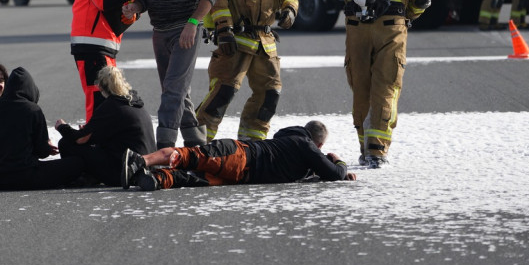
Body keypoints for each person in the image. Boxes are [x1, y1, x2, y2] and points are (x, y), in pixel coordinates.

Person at [336, 0, 432, 168]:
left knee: (361, 88)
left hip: (356, 28)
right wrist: (409, 14)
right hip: (391, 27)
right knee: (386, 87)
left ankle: (363, 147)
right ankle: (377, 151)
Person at [196, 0, 299, 143]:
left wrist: (290, 10)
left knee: (269, 95)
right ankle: (198, 146)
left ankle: (252, 145)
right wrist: (224, 30)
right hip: (235, 41)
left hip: (265, 43)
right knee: (222, 95)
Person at [125, 0, 218, 148]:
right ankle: (196, 141)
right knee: (175, 90)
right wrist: (136, 6)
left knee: (173, 89)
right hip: (160, 31)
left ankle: (164, 146)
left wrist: (193, 23)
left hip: (185, 31)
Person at [121, 120, 355, 191]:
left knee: (191, 177)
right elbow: (334, 173)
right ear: (319, 143)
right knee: (188, 156)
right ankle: (141, 161)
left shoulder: (290, 142)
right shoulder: (305, 146)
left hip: (240, 173)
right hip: (240, 156)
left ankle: (151, 179)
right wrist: (338, 161)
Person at [70, 0, 143, 120]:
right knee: (97, 99)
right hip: (90, 46)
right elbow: (103, 1)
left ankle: (101, 142)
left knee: (109, 99)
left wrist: (134, 11)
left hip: (107, 46)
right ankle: (92, 144)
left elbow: (122, 5)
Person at [0, 66, 84, 190]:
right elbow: (42, 151)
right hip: (23, 175)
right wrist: (47, 147)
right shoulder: (32, 110)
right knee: (77, 163)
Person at [53, 65, 157, 187]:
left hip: (124, 172)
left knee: (65, 143)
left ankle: (84, 177)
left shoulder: (111, 105)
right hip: (147, 166)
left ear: (101, 86)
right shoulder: (135, 102)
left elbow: (80, 139)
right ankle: (93, 176)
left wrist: (62, 127)